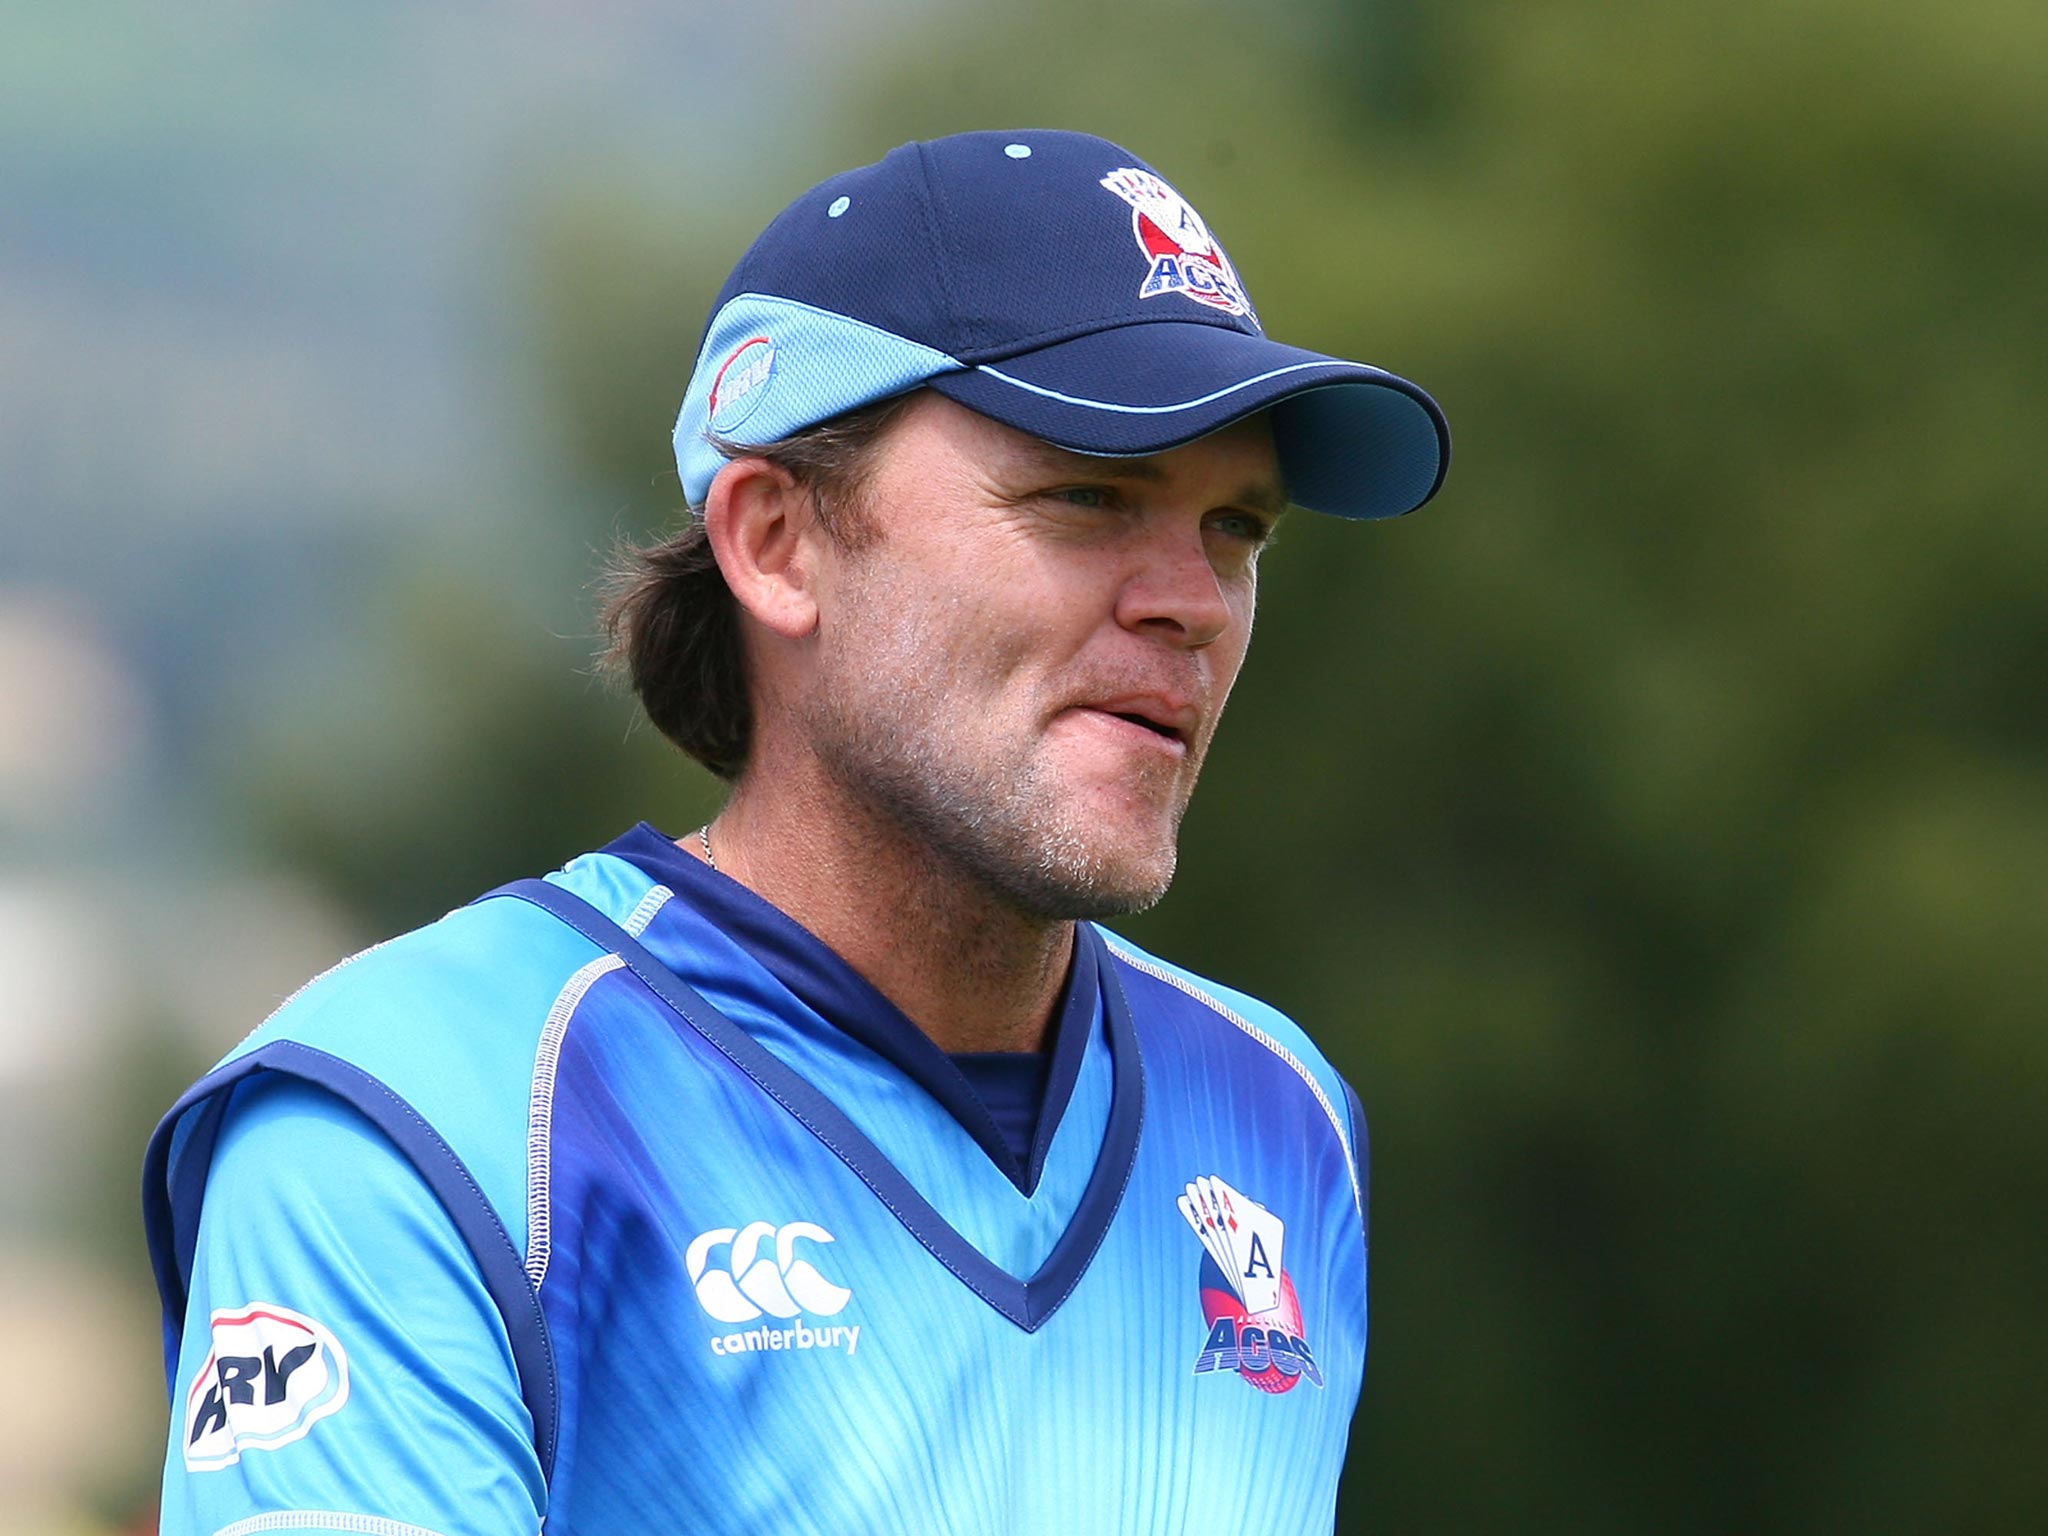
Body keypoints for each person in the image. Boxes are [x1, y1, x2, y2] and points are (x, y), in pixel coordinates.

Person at [144, 129, 1448, 1535]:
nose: (1191, 600)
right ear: (776, 541)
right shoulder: (439, 1117)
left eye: (1238, 530)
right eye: (1088, 496)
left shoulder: (1278, 1115)